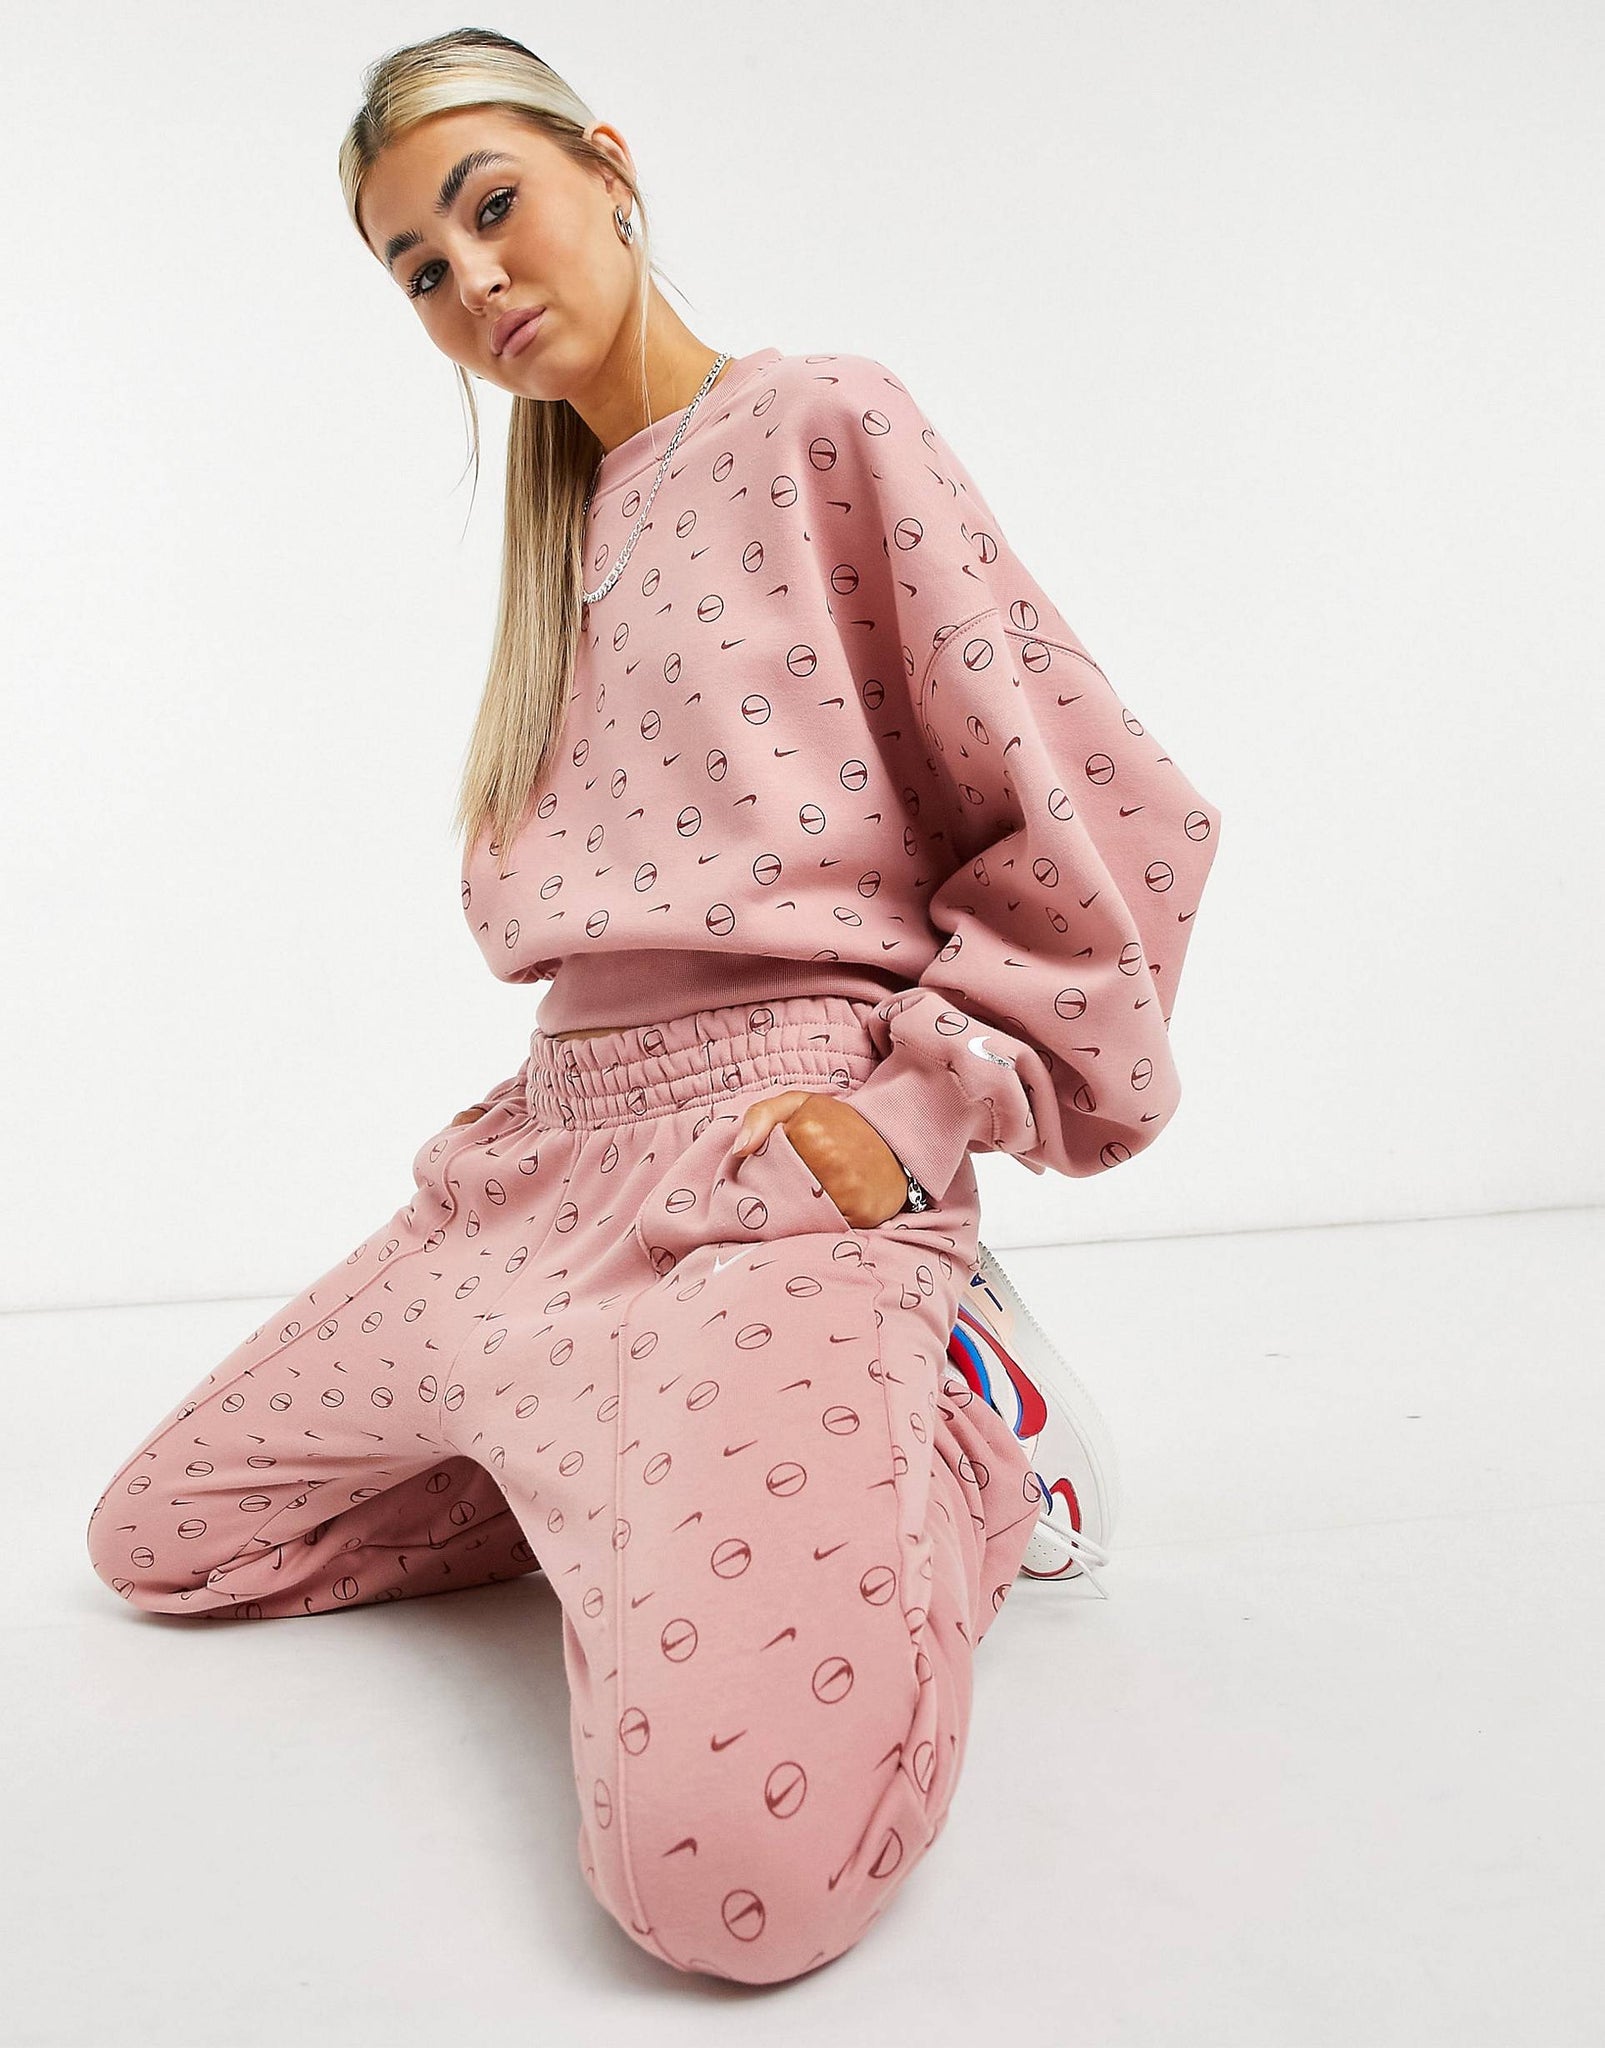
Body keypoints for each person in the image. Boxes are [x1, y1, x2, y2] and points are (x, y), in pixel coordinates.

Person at [85, 28, 1222, 1987]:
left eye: (491, 207)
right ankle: (616, 1469)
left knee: (721, 1887)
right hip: (538, 1171)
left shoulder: (816, 417)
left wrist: (920, 1112)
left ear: (607, 170)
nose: (470, 279)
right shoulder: (563, 542)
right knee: (165, 1539)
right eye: (417, 268)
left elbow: (1098, 796)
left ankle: (954, 1448)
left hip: (775, 1151)